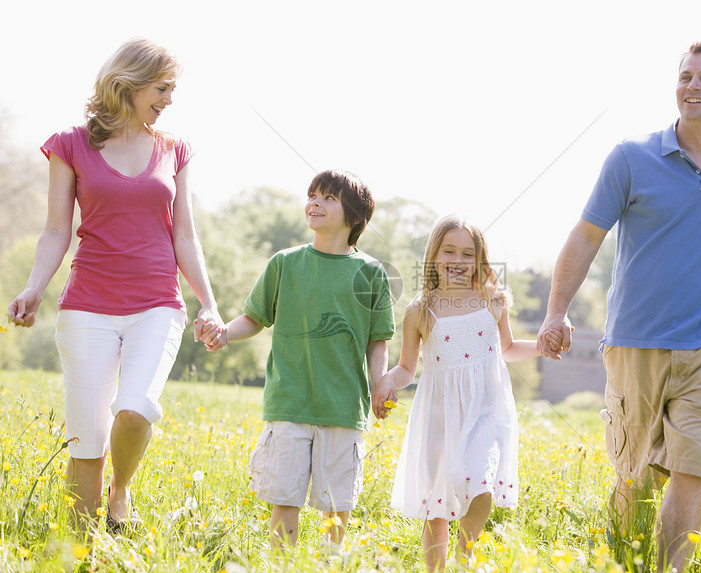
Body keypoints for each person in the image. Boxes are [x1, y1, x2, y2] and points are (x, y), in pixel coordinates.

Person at [537, 42, 701, 571]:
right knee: (634, 475)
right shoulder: (631, 157)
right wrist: (556, 312)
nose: (693, 86)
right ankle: (624, 561)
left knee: (694, 470)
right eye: (686, 76)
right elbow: (586, 235)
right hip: (635, 342)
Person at [6, 38, 223, 535]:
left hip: (157, 304)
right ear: (129, 81)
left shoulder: (175, 148)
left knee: (135, 407)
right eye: (162, 87)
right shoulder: (69, 143)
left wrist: (208, 305)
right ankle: (82, 550)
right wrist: (35, 286)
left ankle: (120, 488)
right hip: (87, 306)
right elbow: (56, 229)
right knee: (86, 444)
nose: (169, 99)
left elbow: (185, 234)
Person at [198, 169, 395, 555]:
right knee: (285, 499)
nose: (315, 203)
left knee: (336, 506)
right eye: (312, 195)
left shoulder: (371, 272)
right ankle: (281, 563)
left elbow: (377, 341)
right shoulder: (285, 263)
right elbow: (254, 318)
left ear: (355, 215)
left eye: (328, 197)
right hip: (289, 403)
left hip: (343, 408)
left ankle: (328, 562)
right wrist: (224, 332)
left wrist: (378, 385)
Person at [373, 215, 557, 571]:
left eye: (467, 254)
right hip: (440, 415)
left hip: (486, 410)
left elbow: (506, 347)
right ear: (434, 255)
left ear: (480, 258)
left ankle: (465, 551)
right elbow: (407, 368)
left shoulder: (493, 299)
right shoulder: (420, 310)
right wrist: (387, 382)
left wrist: (540, 346)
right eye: (449, 251)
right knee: (436, 504)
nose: (457, 261)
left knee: (482, 483)